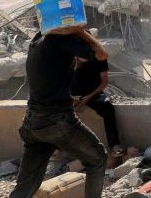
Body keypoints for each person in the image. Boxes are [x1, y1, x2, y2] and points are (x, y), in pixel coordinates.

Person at [9, 28, 109, 198]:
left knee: (25, 187)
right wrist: (80, 31)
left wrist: (66, 96)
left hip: (33, 122)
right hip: (57, 121)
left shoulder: (37, 39)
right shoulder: (61, 39)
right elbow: (101, 54)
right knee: (98, 159)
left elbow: (48, 77)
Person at [71, 32, 122, 154]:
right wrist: (70, 97)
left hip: (93, 94)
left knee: (107, 107)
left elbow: (104, 82)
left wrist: (88, 97)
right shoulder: (71, 58)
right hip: (72, 94)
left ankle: (114, 144)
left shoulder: (98, 58)